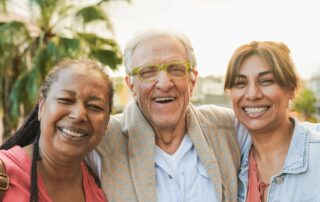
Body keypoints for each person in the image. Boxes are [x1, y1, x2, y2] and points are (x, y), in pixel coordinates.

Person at [93, 29, 243, 202]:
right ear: (131, 85)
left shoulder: (229, 127)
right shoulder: (101, 139)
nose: (164, 84)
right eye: (148, 71)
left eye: (176, 69)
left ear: (192, 81)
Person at [0, 58, 113, 201]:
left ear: (107, 123)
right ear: (42, 107)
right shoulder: (4, 175)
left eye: (95, 106)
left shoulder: (100, 191)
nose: (78, 115)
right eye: (65, 100)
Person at [224, 41, 320, 202]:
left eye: (266, 81)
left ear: (291, 89)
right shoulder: (229, 166)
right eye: (240, 83)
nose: (252, 94)